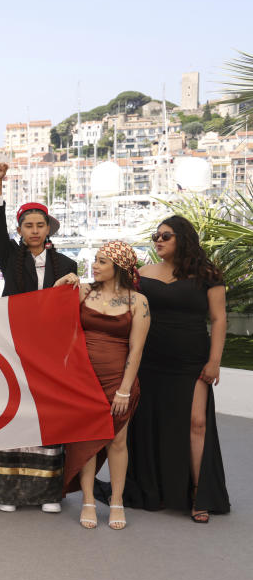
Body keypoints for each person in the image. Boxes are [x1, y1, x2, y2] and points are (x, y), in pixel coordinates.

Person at [119, 216, 230, 522]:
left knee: (197, 423)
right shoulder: (142, 274)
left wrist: (214, 361)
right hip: (150, 360)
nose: (158, 240)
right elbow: (119, 303)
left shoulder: (207, 274)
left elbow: (219, 319)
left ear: (182, 238)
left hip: (191, 361)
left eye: (165, 236)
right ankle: (152, 488)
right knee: (149, 422)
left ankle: (199, 492)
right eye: (156, 236)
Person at [0, 162, 77, 514]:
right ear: (20, 230)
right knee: (13, 412)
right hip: (12, 345)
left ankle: (47, 493)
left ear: (48, 228)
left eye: (40, 225)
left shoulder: (67, 264)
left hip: (50, 352)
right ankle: (7, 490)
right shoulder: (10, 258)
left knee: (46, 416)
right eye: (28, 225)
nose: (35, 231)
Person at [55, 242, 149, 529]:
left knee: (118, 441)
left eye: (102, 261)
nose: (94, 265)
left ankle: (116, 501)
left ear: (118, 267)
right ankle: (87, 500)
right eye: (95, 260)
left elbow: (136, 349)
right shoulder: (83, 292)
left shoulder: (138, 302)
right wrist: (62, 281)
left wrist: (124, 388)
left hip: (118, 380)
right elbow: (50, 309)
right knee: (86, 442)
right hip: (83, 380)